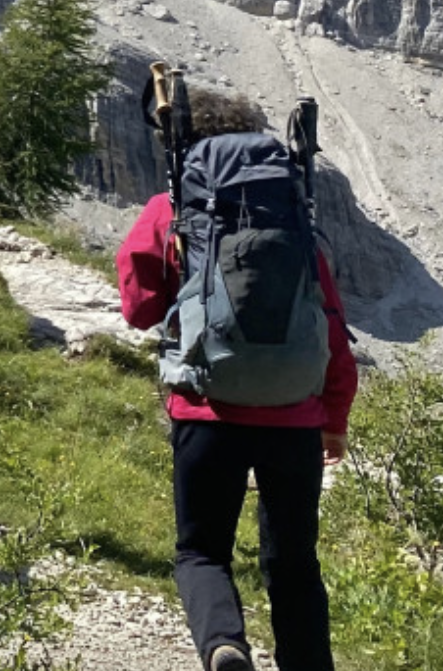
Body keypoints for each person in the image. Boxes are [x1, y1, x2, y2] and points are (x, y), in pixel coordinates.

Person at [117, 92, 356, 671]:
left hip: (207, 409)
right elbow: (328, 323)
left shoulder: (174, 210)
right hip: (295, 415)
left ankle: (224, 645)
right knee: (295, 563)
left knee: (201, 552)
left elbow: (139, 309)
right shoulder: (292, 215)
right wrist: (335, 421)